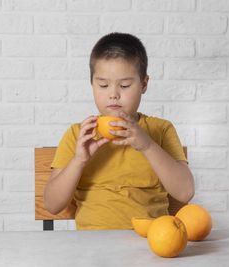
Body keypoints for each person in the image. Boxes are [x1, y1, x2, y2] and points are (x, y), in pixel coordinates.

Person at [44, 32, 194, 230]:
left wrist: (147, 145)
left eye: (124, 85)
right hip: (92, 244)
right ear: (92, 84)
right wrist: (79, 160)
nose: (113, 94)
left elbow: (185, 192)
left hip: (150, 242)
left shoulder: (161, 130)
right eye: (103, 85)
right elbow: (52, 205)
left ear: (144, 84)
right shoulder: (78, 134)